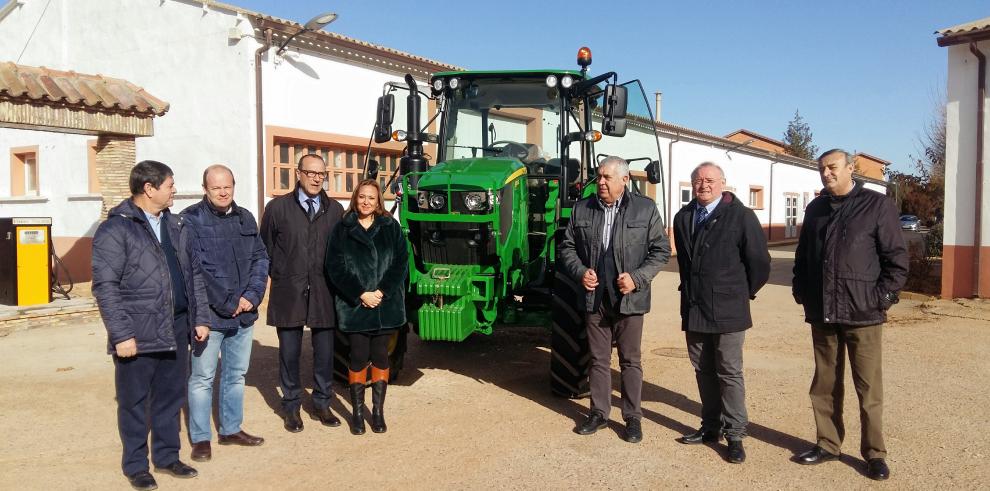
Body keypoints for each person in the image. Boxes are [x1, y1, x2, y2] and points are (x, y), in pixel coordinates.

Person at [92, 160, 210, 490]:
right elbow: (105, 285)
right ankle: (135, 465)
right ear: (149, 188)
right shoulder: (116, 229)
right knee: (133, 402)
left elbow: (193, 275)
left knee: (170, 398)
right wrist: (121, 334)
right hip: (137, 333)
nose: (174, 190)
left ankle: (167, 456)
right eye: (170, 185)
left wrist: (200, 318)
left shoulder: (177, 226)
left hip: (176, 326)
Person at [792, 148, 908, 481]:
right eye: (821, 169)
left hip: (864, 313)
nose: (826, 173)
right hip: (823, 313)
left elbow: (896, 260)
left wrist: (882, 298)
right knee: (824, 384)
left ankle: (874, 454)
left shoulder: (876, 206)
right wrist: (801, 291)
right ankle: (827, 444)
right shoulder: (815, 209)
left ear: (850, 168)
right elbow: (802, 258)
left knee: (868, 389)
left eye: (832, 167)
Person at [559, 155, 671, 443]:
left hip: (629, 300)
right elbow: (567, 248)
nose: (601, 183)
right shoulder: (583, 209)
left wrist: (637, 278)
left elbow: (660, 251)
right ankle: (598, 413)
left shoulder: (645, 210)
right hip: (594, 299)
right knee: (598, 359)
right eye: (599, 177)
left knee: (630, 361)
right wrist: (581, 272)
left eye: (607, 177)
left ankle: (632, 417)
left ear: (625, 180)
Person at [671, 162, 770, 464]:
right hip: (695, 307)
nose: (704, 185)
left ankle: (736, 433)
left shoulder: (741, 216)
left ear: (723, 184)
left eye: (710, 180)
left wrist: (741, 293)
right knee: (703, 370)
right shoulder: (683, 217)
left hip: (729, 309)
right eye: (698, 180)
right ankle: (710, 426)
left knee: (729, 372)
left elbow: (760, 263)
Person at [183, 165, 269, 462]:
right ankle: (201, 438)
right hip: (210, 316)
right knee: (202, 378)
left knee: (235, 375)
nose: (222, 192)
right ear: (204, 188)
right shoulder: (190, 220)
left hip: (244, 314)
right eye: (216, 187)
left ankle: (231, 429)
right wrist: (229, 301)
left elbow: (260, 258)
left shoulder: (245, 217)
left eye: (227, 186)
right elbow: (196, 269)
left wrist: (252, 295)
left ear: (234, 186)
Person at [260, 154, 345, 432]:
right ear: (299, 173)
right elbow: (266, 250)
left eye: (321, 174)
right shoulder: (277, 208)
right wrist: (283, 274)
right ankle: (292, 407)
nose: (316, 178)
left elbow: (340, 251)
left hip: (324, 291)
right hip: (289, 291)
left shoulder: (334, 210)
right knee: (290, 353)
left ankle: (322, 403)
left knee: (324, 354)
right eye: (310, 172)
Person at [325, 179, 408, 435]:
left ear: (378, 201)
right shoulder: (343, 228)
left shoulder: (390, 227)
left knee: (382, 356)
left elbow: (400, 262)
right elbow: (335, 267)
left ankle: (379, 412)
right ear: (355, 198)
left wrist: (381, 292)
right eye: (362, 197)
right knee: (358, 357)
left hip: (385, 305)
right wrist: (361, 293)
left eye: (371, 198)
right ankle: (359, 414)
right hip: (356, 307)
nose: (366, 202)